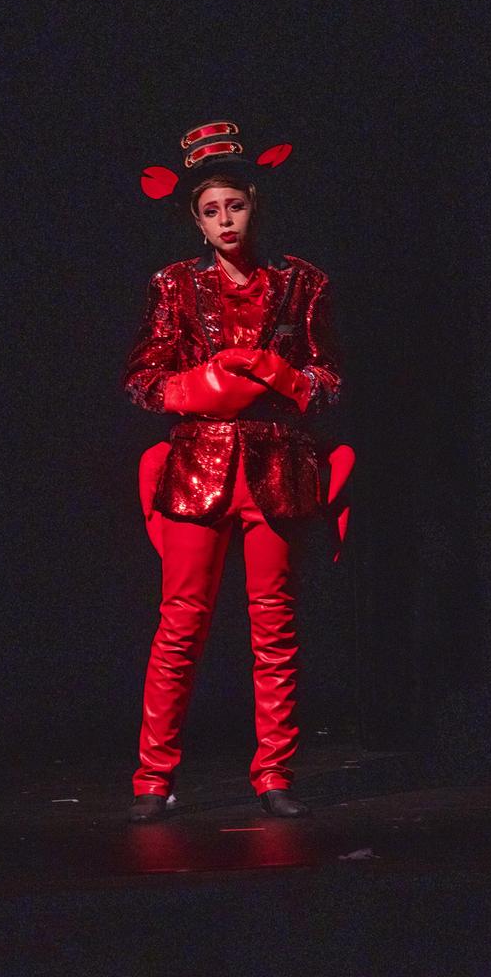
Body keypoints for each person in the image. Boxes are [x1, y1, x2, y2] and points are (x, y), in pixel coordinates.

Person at [124, 120, 344, 822]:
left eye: (235, 206)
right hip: (199, 468)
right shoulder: (174, 285)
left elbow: (330, 379)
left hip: (275, 469)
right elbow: (141, 380)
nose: (225, 220)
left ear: (255, 205)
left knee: (274, 626)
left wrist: (291, 378)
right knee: (180, 626)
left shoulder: (302, 283)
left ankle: (274, 773)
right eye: (210, 210)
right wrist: (194, 388)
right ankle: (152, 779)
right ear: (195, 220)